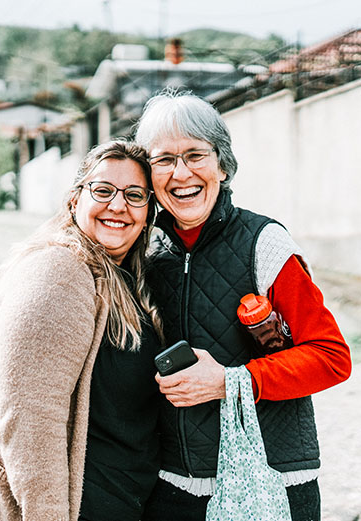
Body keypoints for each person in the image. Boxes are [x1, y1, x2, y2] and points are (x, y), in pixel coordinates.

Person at [134, 89, 352, 521]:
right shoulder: (145, 251)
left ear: (222, 164)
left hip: (270, 483)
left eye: (196, 155)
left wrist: (231, 381)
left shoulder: (264, 243)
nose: (181, 173)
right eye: (164, 159)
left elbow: (332, 358)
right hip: (172, 487)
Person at [0, 140, 165, 521]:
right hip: (73, 507)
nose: (118, 205)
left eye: (134, 195)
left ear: (148, 213)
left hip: (116, 499)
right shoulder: (61, 271)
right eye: (103, 190)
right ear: (75, 201)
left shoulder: (125, 277)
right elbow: (30, 423)